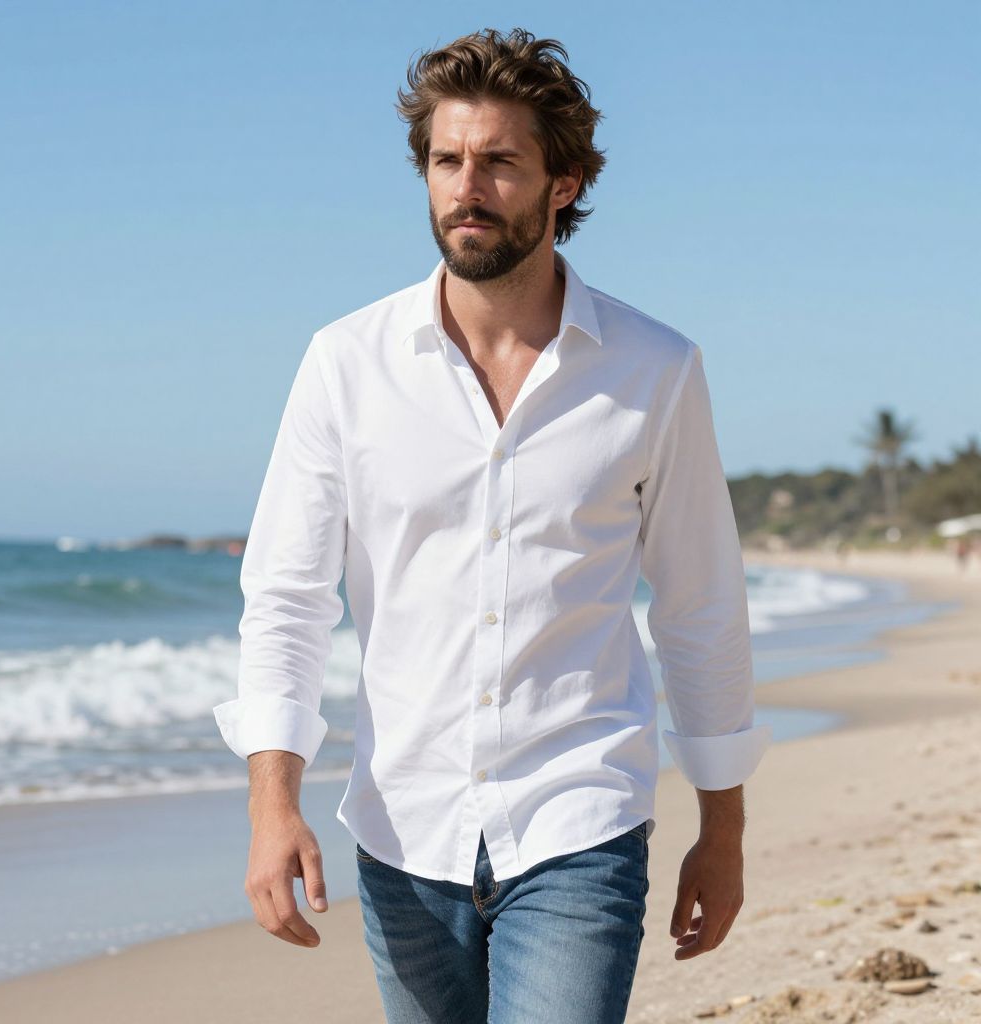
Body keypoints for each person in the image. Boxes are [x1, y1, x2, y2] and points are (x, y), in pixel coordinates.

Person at [213, 26, 772, 1024]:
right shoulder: (346, 363)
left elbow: (699, 605)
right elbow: (288, 594)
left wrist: (720, 829)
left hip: (579, 816)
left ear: (564, 181)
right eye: (445, 159)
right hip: (401, 827)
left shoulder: (655, 370)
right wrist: (272, 804)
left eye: (498, 162)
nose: (464, 187)